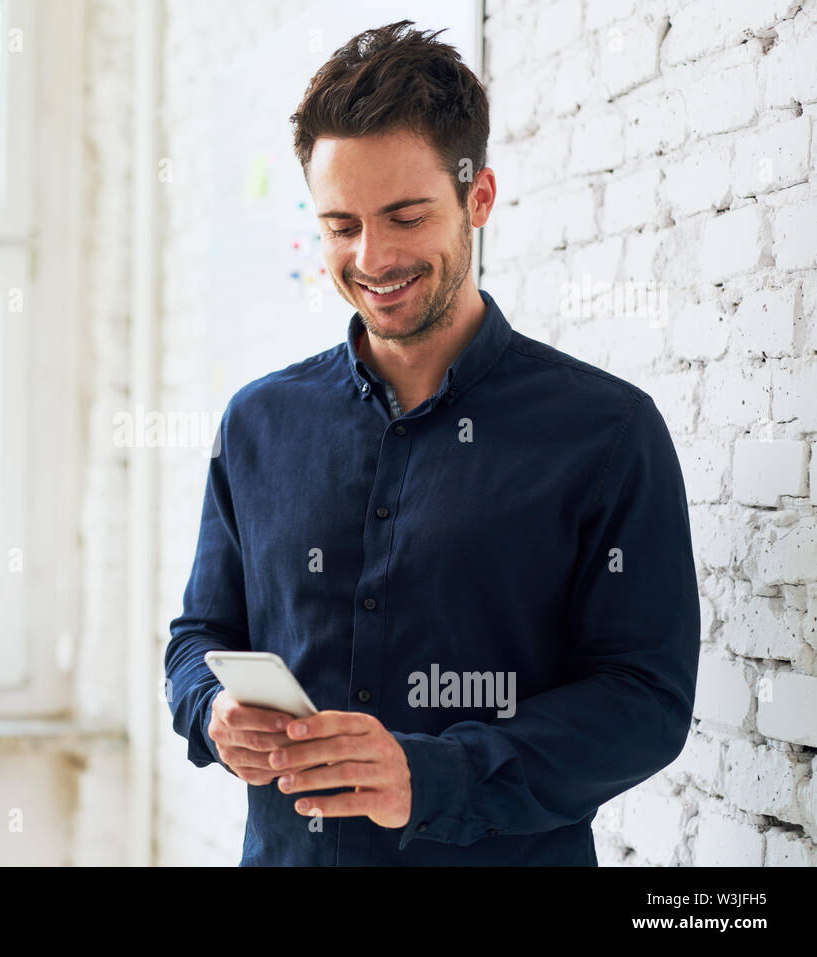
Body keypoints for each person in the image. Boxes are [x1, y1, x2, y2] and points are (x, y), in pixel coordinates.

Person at [163, 20, 699, 866]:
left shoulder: (607, 432)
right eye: (341, 225)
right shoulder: (258, 422)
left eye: (405, 216)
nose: (372, 257)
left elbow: (647, 701)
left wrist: (438, 774)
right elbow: (199, 633)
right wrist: (210, 708)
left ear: (478, 199)